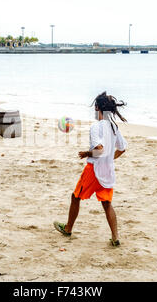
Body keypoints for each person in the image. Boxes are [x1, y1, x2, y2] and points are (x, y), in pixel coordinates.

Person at [54, 91, 128, 246]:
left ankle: (68, 229)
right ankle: (115, 238)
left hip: (93, 169)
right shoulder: (114, 127)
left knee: (76, 197)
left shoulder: (96, 127)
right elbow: (122, 148)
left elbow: (99, 149)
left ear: (97, 107)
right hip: (107, 171)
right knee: (107, 203)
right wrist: (109, 159)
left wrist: (87, 153)